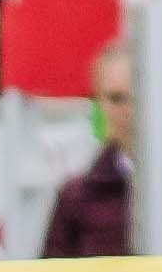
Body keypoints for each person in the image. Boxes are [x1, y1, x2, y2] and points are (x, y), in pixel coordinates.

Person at [37, 32, 136, 258]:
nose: (130, 110)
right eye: (116, 98)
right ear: (98, 102)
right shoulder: (75, 199)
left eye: (140, 96)